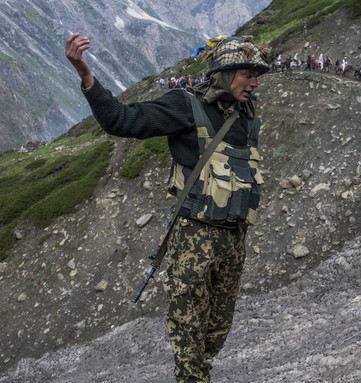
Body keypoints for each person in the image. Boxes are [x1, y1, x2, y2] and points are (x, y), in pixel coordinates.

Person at [66, 33, 270, 383]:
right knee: (189, 344)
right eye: (246, 73)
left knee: (214, 336)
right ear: (223, 72)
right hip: (193, 240)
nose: (254, 82)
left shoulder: (246, 114)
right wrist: (86, 75)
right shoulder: (184, 105)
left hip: (234, 243)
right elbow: (122, 120)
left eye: (256, 75)